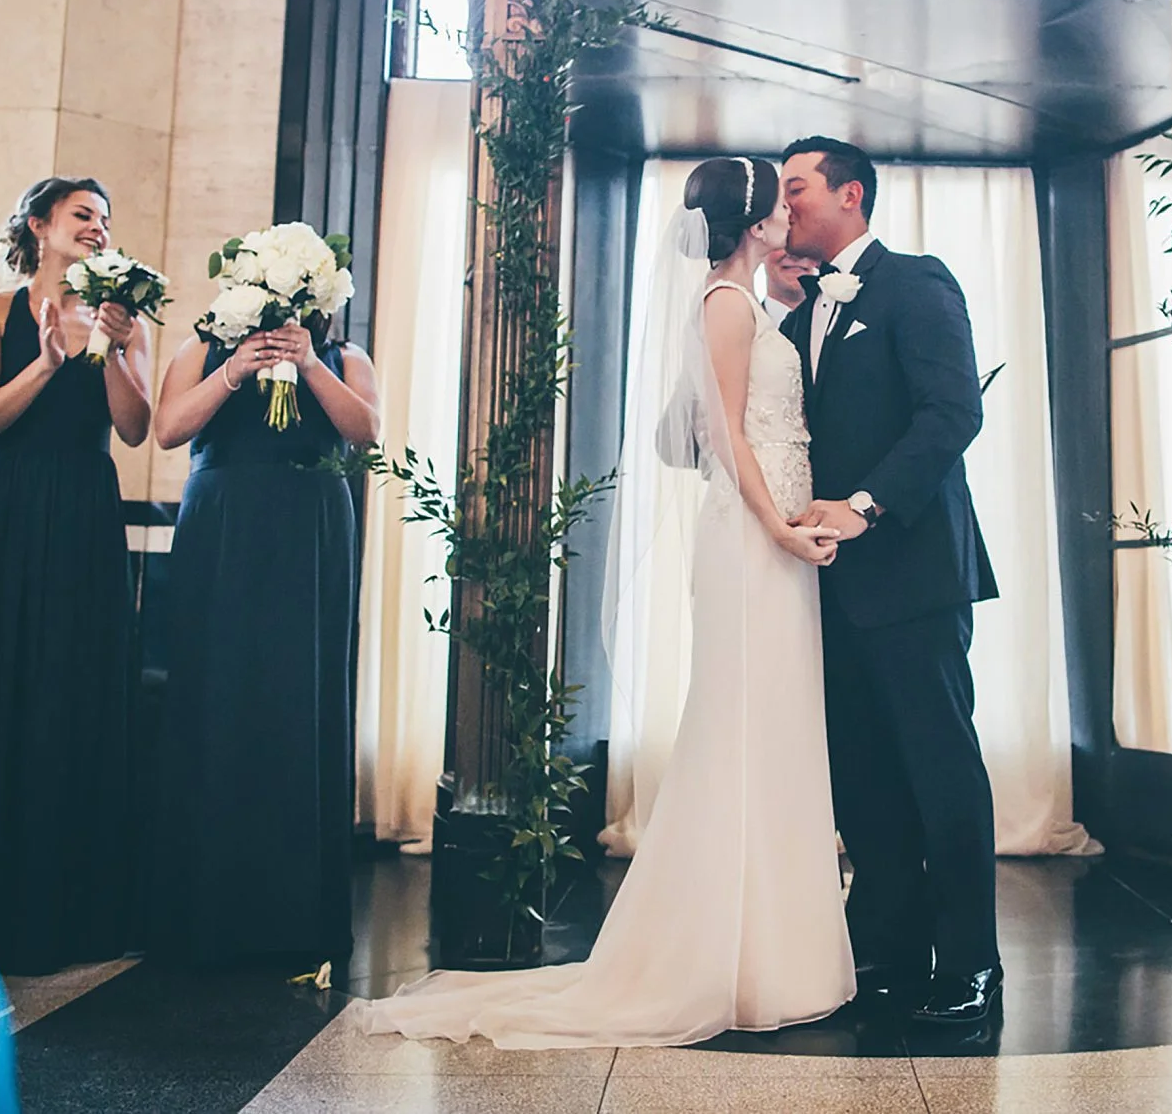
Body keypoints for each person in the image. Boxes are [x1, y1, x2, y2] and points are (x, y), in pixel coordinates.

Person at [352, 157, 852, 1047]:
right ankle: (731, 955)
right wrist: (778, 527)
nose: (789, 212)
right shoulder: (727, 305)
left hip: (772, 536)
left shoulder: (743, 301)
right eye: (779, 202)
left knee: (771, 729)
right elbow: (727, 437)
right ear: (754, 221)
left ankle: (766, 947)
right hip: (753, 541)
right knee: (743, 729)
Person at [0, 176, 150, 975]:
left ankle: (63, 912)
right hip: (2, 511)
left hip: (83, 516)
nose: (98, 226)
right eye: (83, 214)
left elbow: (135, 427)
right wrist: (44, 364)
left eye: (105, 218)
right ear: (39, 224)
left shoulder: (125, 316)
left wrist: (112, 345)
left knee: (67, 692)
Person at [779, 136, 1004, 1025]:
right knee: (864, 778)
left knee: (942, 773)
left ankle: (973, 964)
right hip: (827, 588)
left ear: (851, 194)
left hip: (913, 576)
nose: (785, 203)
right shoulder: (796, 317)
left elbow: (953, 412)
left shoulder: (916, 283)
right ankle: (892, 953)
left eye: (797, 186)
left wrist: (865, 506)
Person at [149, 278, 380, 968]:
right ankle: (203, 907)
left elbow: (367, 432)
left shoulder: (346, 358)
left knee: (298, 702)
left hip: (310, 531)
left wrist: (308, 364)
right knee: (215, 696)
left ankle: (294, 911)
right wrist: (232, 371)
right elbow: (167, 429)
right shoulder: (200, 349)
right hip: (222, 527)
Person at [762, 245, 819, 324]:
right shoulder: (746, 323)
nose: (796, 255)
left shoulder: (833, 322)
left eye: (806, 244)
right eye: (784, 243)